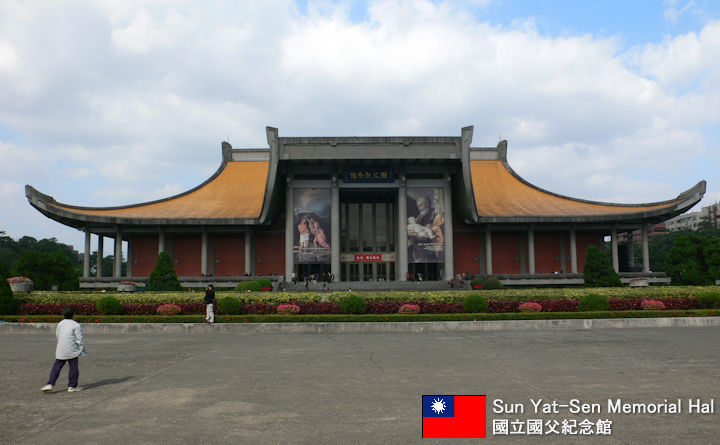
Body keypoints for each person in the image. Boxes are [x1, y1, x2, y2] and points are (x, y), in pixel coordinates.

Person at [41, 306, 88, 393]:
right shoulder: (76, 325)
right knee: (73, 368)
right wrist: (83, 349)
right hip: (72, 350)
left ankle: (50, 383)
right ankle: (72, 386)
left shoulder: (60, 323)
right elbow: (79, 339)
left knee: (56, 367)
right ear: (73, 315)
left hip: (61, 349)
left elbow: (57, 335)